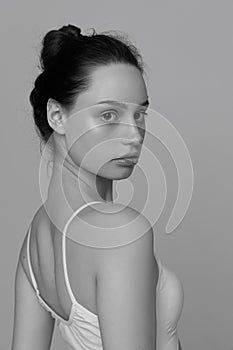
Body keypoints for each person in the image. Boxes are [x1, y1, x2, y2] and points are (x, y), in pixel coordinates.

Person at [11, 24, 184, 350]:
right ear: (57, 116)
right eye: (108, 114)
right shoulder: (119, 233)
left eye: (140, 114)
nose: (134, 135)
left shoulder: (37, 235)